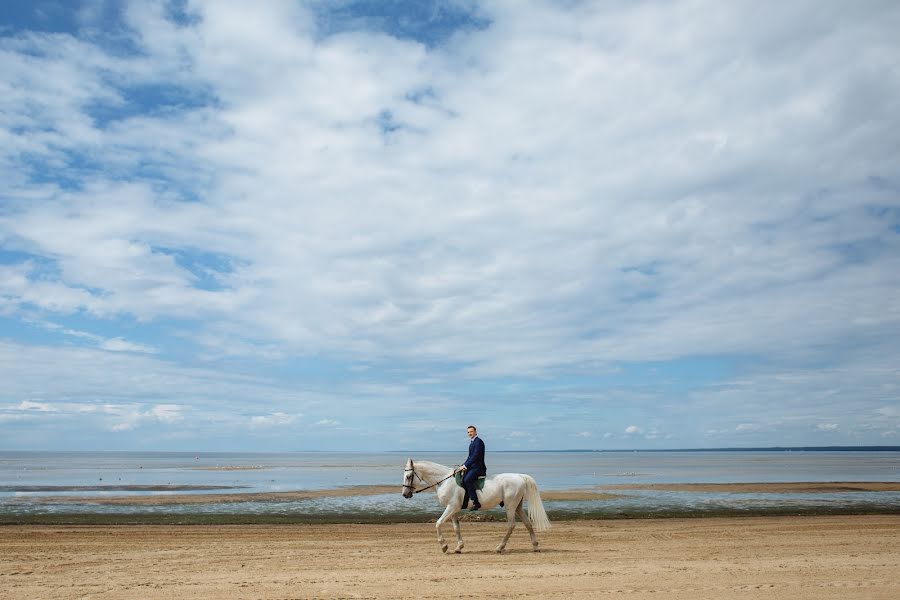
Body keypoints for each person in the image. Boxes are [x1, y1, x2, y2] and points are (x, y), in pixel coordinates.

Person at [458, 425, 486, 510]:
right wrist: (463, 465)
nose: (470, 433)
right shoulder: (472, 442)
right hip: (472, 467)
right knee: (462, 480)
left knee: (467, 480)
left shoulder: (479, 442)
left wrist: (466, 466)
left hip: (478, 468)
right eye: (468, 432)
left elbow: (475, 456)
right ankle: (465, 502)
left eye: (471, 431)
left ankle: (476, 502)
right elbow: (470, 457)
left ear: (475, 431)